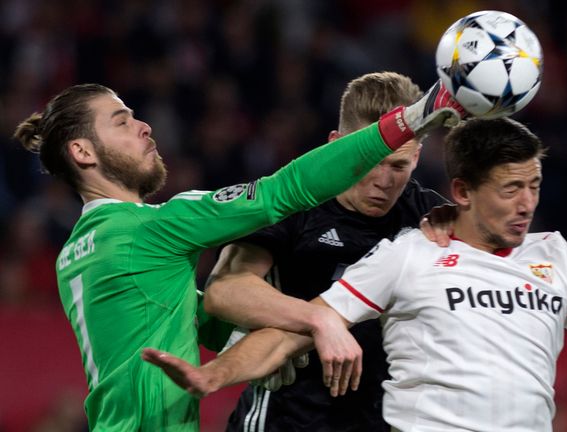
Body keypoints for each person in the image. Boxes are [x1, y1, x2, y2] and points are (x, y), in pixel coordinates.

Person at [143, 117, 567, 431]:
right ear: (461, 190)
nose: (526, 203)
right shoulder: (408, 254)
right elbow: (300, 328)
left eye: (534, 186)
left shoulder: (557, 257)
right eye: (510, 188)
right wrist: (213, 374)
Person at [13, 82, 463, 431]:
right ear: (82, 152)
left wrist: (252, 342)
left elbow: (188, 317)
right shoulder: (150, 228)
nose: (143, 126)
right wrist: (413, 117)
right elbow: (285, 191)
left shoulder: (77, 250)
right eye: (121, 122)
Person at [203, 71, 449, 432]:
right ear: (336, 145)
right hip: (283, 421)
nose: (384, 180)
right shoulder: (291, 201)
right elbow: (225, 290)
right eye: (370, 161)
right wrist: (322, 319)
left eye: (399, 165)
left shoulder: (431, 216)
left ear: (417, 157)